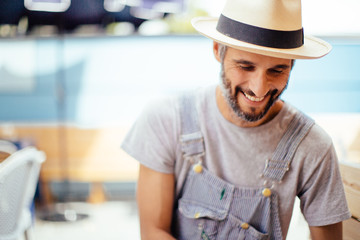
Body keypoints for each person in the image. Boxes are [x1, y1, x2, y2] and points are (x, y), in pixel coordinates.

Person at [121, 0, 351, 239]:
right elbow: (153, 231)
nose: (259, 89)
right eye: (245, 66)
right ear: (217, 50)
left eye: (277, 70)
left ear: (292, 65)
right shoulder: (167, 120)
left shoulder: (312, 146)